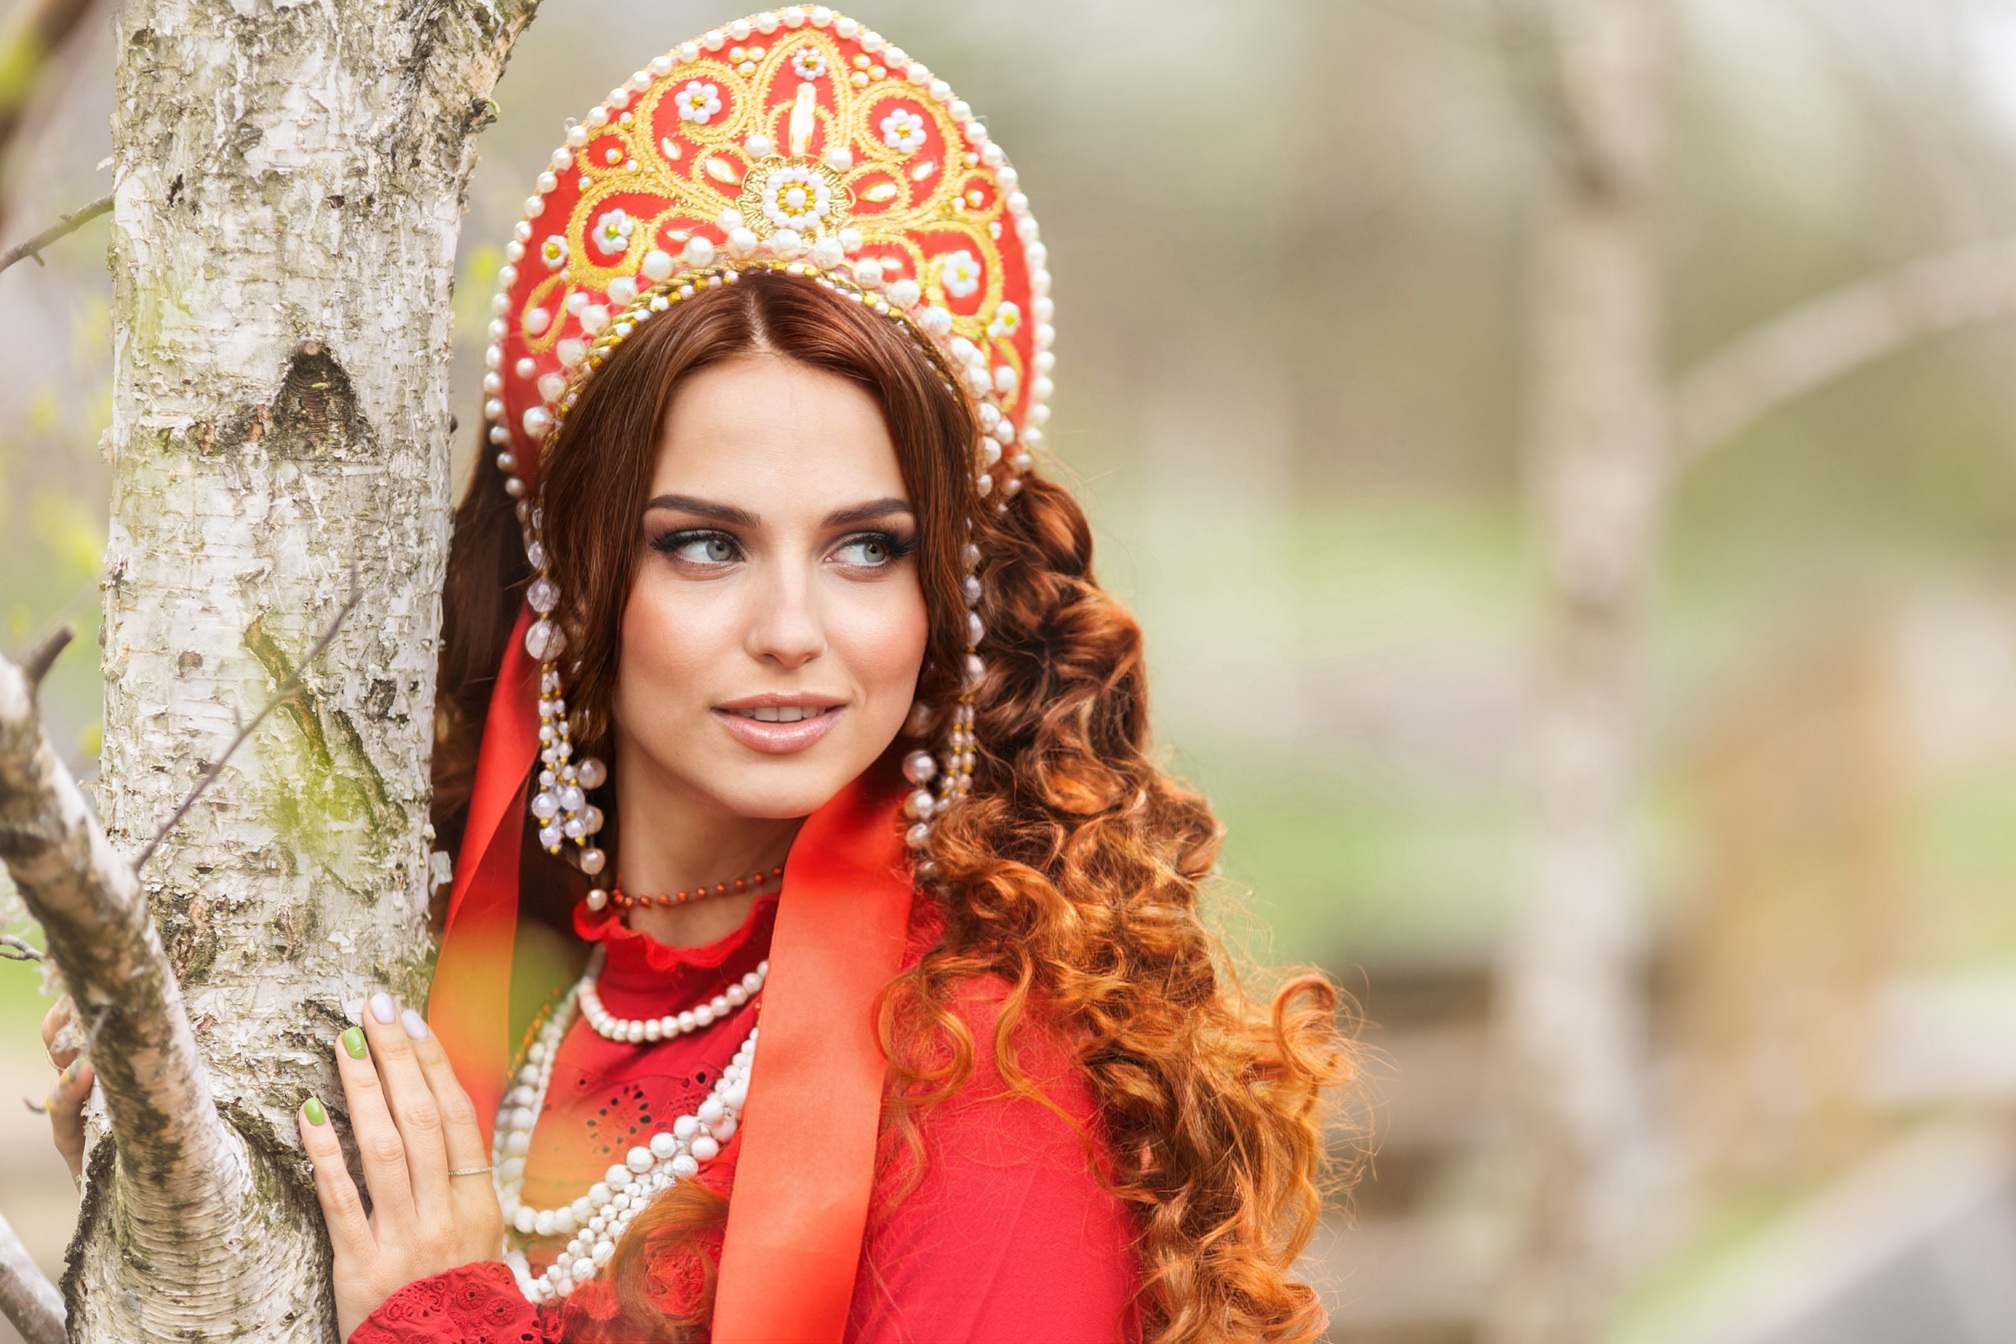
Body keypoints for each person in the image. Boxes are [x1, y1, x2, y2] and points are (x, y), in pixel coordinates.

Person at [44, 10, 1350, 1342]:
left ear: (940, 596)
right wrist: (178, 1180)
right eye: (706, 544)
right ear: (576, 579)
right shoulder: (448, 984)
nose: (793, 626)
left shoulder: (977, 1078)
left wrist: (452, 1322)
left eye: (865, 547)